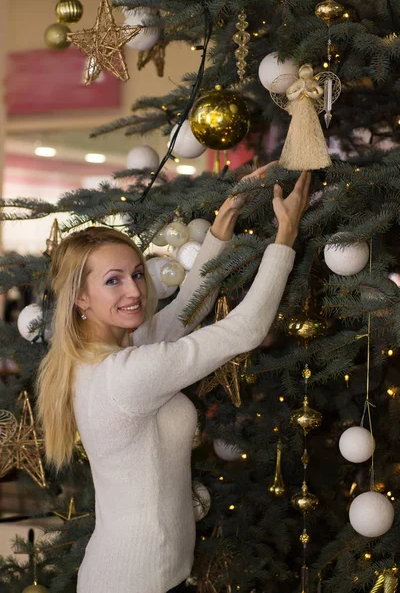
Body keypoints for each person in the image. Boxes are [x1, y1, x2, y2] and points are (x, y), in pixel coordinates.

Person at [36, 164, 310, 593]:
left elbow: (188, 309)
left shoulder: (117, 353)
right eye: (113, 281)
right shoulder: (124, 375)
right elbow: (245, 329)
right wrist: (285, 239)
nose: (135, 291)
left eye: (137, 273)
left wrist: (223, 224)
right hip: (132, 581)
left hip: (146, 575)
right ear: (80, 299)